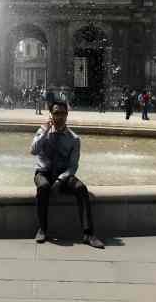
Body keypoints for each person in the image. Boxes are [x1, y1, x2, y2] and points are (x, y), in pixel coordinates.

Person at [30, 100, 103, 248]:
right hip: (43, 172)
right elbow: (33, 150)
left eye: (63, 113)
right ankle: (42, 229)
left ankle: (88, 234)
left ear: (67, 115)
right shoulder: (42, 131)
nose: (60, 117)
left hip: (63, 175)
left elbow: (73, 166)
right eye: (56, 113)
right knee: (43, 187)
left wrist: (60, 181)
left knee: (81, 188)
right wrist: (45, 131)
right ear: (51, 114)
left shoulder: (74, 139)